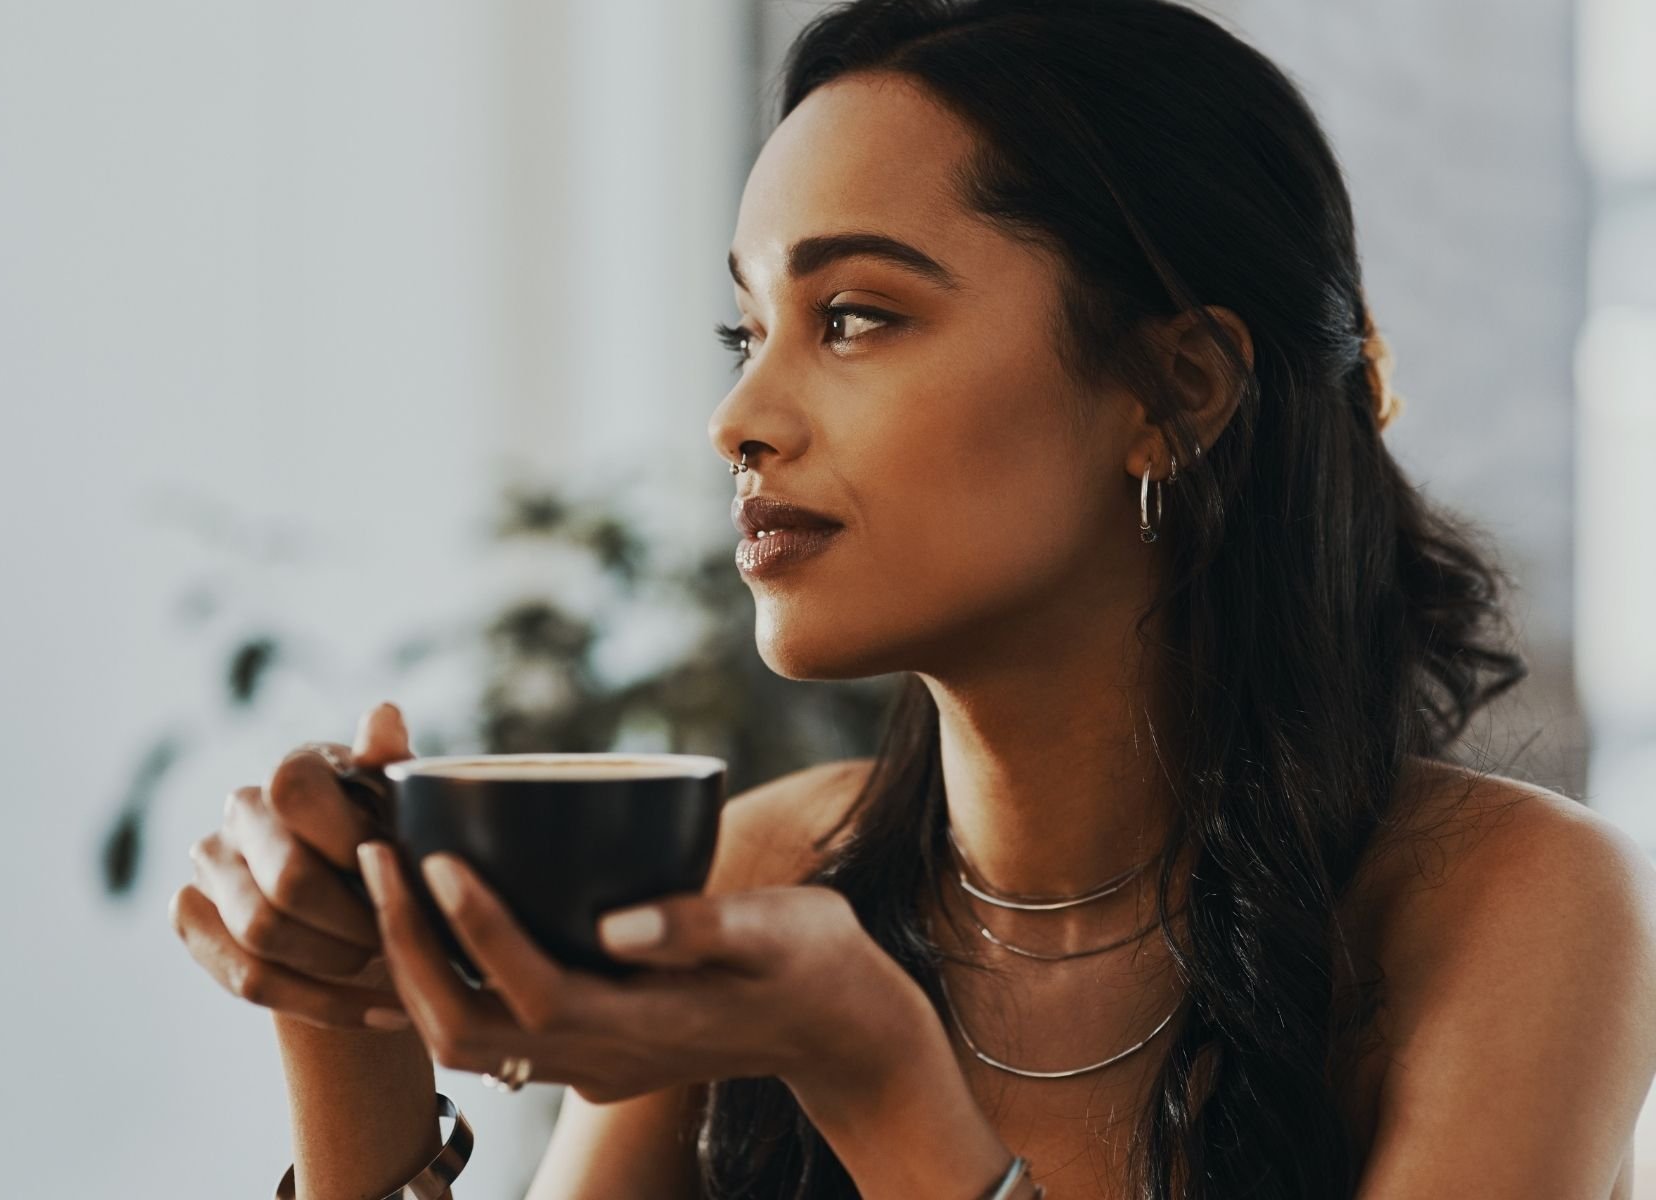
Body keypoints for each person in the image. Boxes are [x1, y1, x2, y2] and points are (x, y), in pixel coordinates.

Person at [169, 1, 1656, 1196]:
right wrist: (348, 1035)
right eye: (744, 327)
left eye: (855, 318)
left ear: (1174, 390)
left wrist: (877, 1075)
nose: (738, 415)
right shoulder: (761, 870)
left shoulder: (1514, 909)